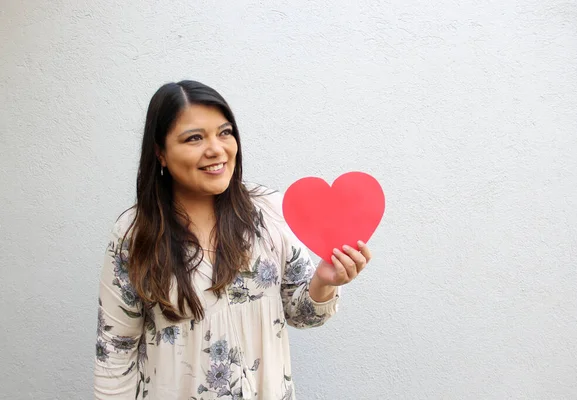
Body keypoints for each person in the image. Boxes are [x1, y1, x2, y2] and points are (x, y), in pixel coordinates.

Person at [93, 80, 372, 399]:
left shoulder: (269, 213)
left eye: (224, 132)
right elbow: (114, 353)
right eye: (194, 138)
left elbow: (304, 315)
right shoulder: (135, 233)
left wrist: (324, 281)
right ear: (161, 153)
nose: (216, 148)